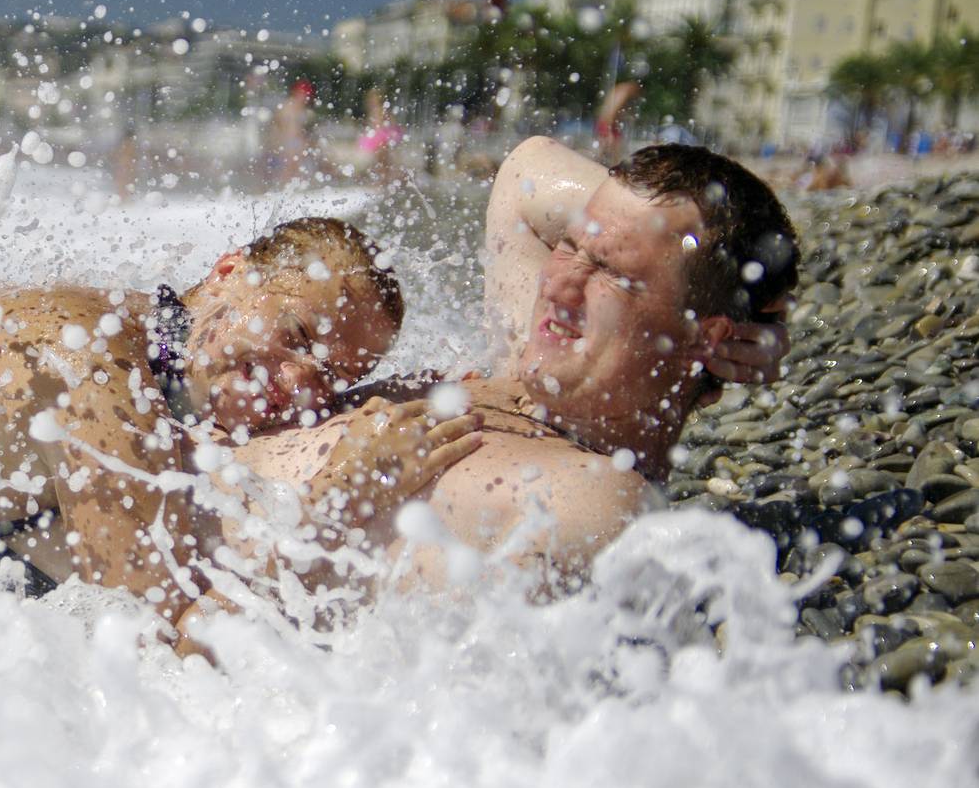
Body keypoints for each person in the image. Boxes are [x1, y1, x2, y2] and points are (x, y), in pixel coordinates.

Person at [221, 138, 799, 603]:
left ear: (704, 335)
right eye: (570, 244)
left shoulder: (582, 500)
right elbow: (529, 167)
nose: (560, 286)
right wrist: (748, 300)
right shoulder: (535, 364)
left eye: (614, 274)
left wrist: (332, 504)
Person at [0, 217, 484, 646]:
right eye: (298, 335)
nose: (302, 382)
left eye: (333, 377)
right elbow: (148, 640)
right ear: (227, 273)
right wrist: (336, 501)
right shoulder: (98, 366)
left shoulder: (161, 361)